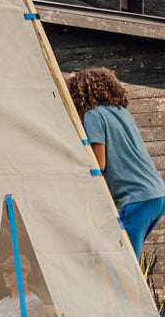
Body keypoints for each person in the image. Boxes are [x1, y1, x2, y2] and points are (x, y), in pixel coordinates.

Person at [67, 67, 165, 257]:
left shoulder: (93, 115)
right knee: (125, 255)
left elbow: (99, 163)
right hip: (157, 195)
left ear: (80, 96)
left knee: (124, 261)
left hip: (135, 198)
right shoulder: (121, 112)